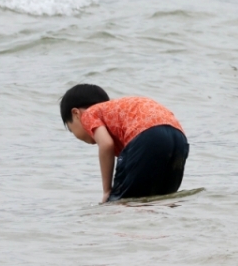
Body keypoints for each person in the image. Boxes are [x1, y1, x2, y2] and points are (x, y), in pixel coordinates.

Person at [60, 84, 189, 203]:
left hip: (146, 135)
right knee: (162, 199)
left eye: (72, 130)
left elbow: (106, 144)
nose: (76, 135)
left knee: (118, 202)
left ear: (76, 113)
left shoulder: (88, 114)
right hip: (178, 137)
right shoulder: (114, 111)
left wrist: (107, 191)